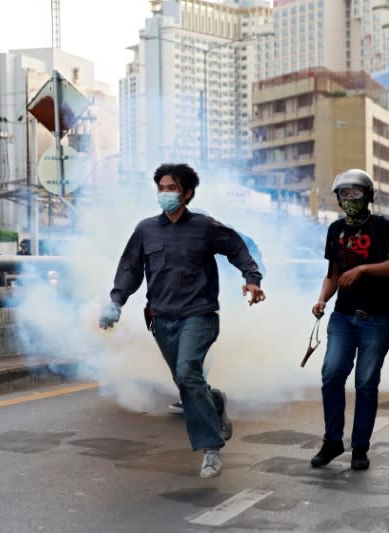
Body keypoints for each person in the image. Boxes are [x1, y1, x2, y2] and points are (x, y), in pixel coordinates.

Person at [99, 163, 266, 478]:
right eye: (161, 188)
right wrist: (116, 302)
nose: (165, 194)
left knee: (188, 373)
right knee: (186, 380)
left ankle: (211, 449)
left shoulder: (204, 227)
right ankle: (215, 402)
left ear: (187, 193)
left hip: (199, 315)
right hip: (161, 319)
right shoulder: (145, 230)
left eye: (172, 188)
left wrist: (252, 279)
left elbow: (237, 249)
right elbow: (130, 268)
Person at [310, 169, 389, 471]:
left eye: (355, 193)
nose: (350, 199)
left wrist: (364, 269)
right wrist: (321, 300)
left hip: (376, 319)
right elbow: (334, 273)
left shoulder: (383, 227)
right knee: (331, 374)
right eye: (344, 193)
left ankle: (360, 448)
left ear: (368, 196)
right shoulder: (335, 230)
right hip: (342, 317)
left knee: (366, 383)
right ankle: (332, 441)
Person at [165, 208, 266, 416]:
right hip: (200, 298)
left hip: (221, 297)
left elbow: (251, 262)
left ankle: (198, 398)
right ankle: (199, 395)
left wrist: (250, 282)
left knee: (196, 346)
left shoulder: (220, 235)